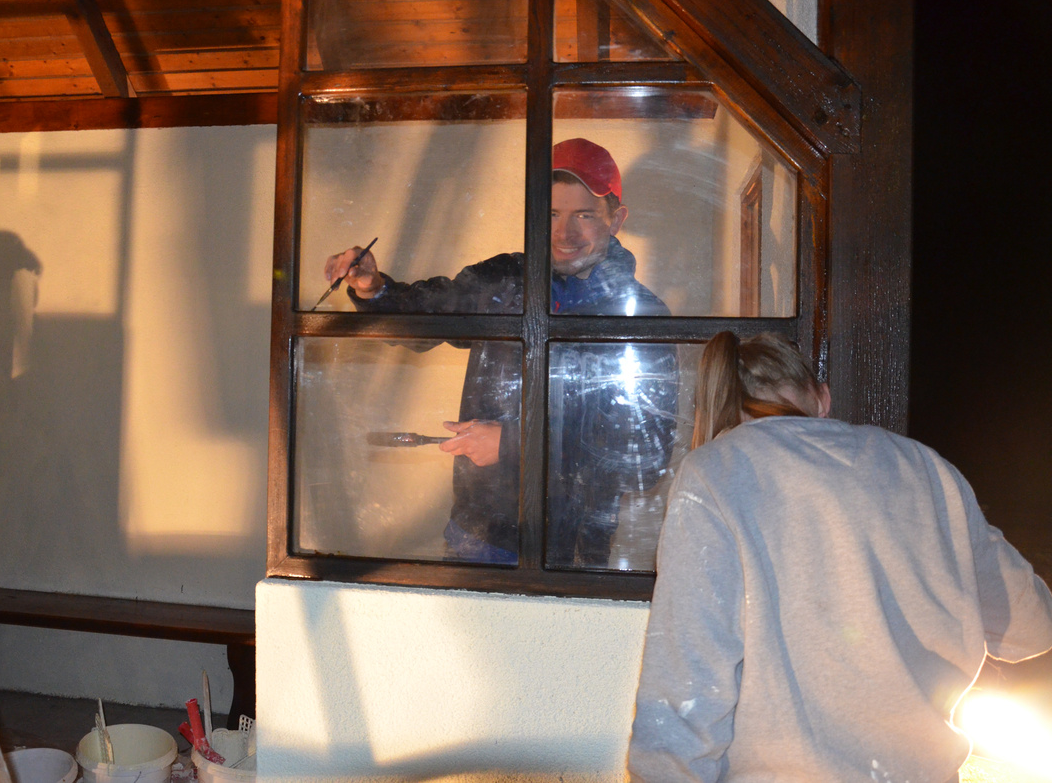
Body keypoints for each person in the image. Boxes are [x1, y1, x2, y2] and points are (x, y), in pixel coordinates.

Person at [627, 331, 1052, 783]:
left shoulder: (715, 473)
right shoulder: (928, 468)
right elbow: (1031, 626)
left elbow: (687, 678)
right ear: (822, 399)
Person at [322, 138, 678, 566]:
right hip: (475, 540)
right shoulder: (504, 279)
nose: (564, 233)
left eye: (583, 215)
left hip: (571, 559)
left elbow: (645, 460)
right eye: (551, 214)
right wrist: (373, 288)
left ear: (616, 219)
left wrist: (513, 444)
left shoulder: (641, 315)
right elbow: (427, 315)